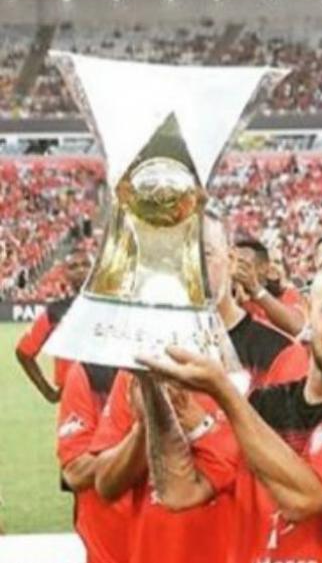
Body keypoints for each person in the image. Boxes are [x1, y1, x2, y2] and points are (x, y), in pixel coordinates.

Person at [140, 246, 322, 563]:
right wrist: (151, 387)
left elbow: (305, 499)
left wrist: (224, 392)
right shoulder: (261, 406)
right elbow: (179, 491)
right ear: (308, 311)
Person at [88, 216, 250, 563]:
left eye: (204, 253)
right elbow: (106, 485)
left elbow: (283, 481)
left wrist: (198, 423)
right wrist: (145, 426)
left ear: (231, 258)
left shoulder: (276, 356)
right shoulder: (144, 363)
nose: (191, 268)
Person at [56, 361, 131, 563]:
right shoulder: (88, 372)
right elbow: (75, 472)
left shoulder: (191, 371)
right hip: (109, 545)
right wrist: (139, 437)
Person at [14, 253, 91, 403]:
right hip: (73, 397)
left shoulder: (112, 308)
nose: (80, 270)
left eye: (86, 264)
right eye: (73, 267)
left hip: (112, 397)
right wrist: (47, 392)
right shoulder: (55, 312)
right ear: (65, 275)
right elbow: (23, 352)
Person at [234, 238, 306, 337]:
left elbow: (296, 326)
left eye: (243, 264)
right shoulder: (229, 295)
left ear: (263, 267)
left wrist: (255, 289)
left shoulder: (286, 293)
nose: (237, 269)